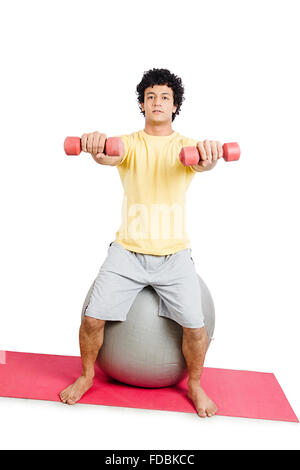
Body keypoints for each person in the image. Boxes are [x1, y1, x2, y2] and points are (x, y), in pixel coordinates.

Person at [60, 68, 222, 418]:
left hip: (175, 255)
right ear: (142, 104)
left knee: (197, 327)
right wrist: (94, 147)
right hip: (127, 252)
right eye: (150, 97)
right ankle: (87, 376)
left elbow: (204, 164)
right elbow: (109, 155)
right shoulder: (129, 143)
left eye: (165, 97)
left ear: (175, 105)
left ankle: (194, 384)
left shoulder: (188, 147)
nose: (157, 102)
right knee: (91, 320)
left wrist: (208, 157)